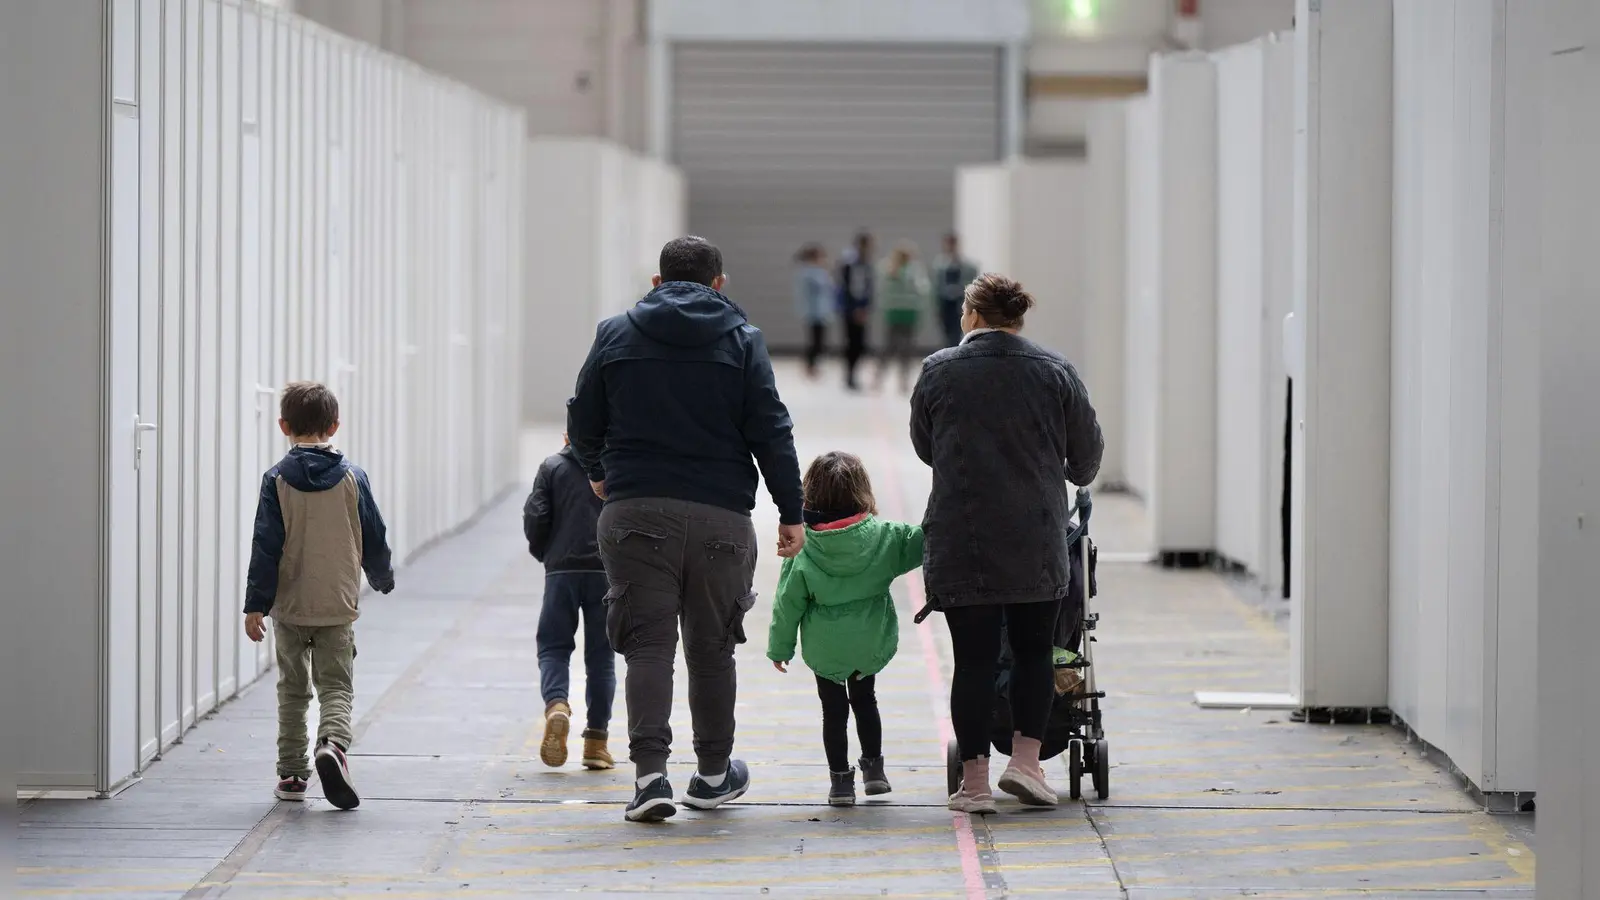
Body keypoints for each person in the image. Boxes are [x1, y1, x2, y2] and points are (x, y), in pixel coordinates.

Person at [567, 235, 807, 823]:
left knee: (647, 646)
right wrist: (791, 511)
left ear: (657, 282)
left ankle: (650, 780)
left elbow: (582, 416)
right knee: (712, 649)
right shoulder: (743, 340)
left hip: (634, 511)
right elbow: (771, 429)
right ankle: (714, 776)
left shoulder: (615, 333)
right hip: (721, 518)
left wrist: (598, 472)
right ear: (719, 283)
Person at [910, 274, 1103, 815]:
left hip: (962, 538)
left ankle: (974, 785)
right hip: (1035, 538)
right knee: (1033, 652)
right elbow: (1086, 461)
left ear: (972, 315)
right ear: (1017, 318)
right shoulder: (1055, 371)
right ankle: (1026, 764)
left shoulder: (938, 370)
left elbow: (926, 448)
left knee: (973, 660)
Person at [243, 381, 395, 811]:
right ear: (334, 426)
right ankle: (332, 744)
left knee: (293, 689)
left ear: (283, 426)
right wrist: (381, 576)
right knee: (336, 685)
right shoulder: (353, 477)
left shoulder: (275, 480)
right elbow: (373, 533)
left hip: (290, 606)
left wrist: (256, 605)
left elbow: (265, 545)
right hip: (336, 602)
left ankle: (292, 774)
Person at [767, 452, 924, 807]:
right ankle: (874, 771)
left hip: (826, 646)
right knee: (866, 700)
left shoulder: (804, 546)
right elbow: (923, 541)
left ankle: (840, 782)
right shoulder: (885, 536)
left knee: (833, 711)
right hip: (868, 640)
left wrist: (780, 648)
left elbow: (787, 603)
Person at [524, 433, 615, 771]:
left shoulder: (551, 468)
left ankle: (557, 705)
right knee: (601, 658)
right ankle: (596, 743)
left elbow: (535, 517)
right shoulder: (615, 469)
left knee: (553, 647)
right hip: (605, 572)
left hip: (561, 571)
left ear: (567, 435)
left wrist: (547, 554)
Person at [875, 241, 930, 393]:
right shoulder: (888, 268)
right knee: (890, 345)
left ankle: (903, 379)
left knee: (906, 347)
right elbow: (883, 288)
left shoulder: (914, 269)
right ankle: (879, 376)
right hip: (896, 311)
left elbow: (923, 288)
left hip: (908, 312)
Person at [836, 231, 876, 391]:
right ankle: (849, 375)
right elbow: (847, 287)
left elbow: (868, 287)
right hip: (851, 309)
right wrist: (854, 308)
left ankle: (854, 374)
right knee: (852, 343)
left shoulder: (867, 263)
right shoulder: (850, 263)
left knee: (860, 343)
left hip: (862, 309)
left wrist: (866, 307)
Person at [931, 233, 980, 348]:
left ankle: (954, 349)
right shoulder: (940, 264)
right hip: (944, 302)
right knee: (946, 329)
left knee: (957, 329)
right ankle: (948, 349)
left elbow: (972, 277)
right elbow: (936, 285)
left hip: (959, 301)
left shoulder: (964, 264)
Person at [794, 244, 834, 379]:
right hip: (813, 312)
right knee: (815, 340)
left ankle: (813, 364)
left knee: (819, 340)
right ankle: (810, 365)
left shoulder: (820, 271)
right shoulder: (808, 272)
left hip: (822, 311)